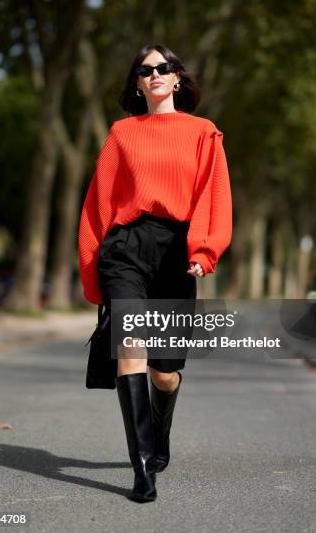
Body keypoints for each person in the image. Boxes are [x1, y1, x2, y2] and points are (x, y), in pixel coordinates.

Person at [78, 44, 232, 502]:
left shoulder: (204, 133)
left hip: (177, 251)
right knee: (131, 352)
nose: (155, 74)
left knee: (164, 373)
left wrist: (204, 250)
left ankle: (159, 434)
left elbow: (215, 195)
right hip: (126, 249)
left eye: (163, 67)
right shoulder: (122, 134)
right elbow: (98, 205)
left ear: (177, 79)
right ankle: (142, 467)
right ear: (137, 84)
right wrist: (92, 273)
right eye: (146, 71)